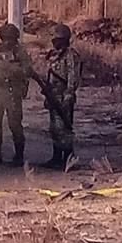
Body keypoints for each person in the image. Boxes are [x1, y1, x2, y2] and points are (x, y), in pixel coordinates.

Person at [0, 23, 33, 166]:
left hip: (12, 91)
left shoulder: (20, 52)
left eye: (11, 38)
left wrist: (13, 68)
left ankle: (19, 156)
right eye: (5, 38)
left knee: (15, 124)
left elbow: (28, 69)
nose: (8, 41)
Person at [43, 24, 82, 169]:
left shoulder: (70, 56)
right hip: (53, 96)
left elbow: (73, 77)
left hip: (64, 97)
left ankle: (68, 159)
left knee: (64, 129)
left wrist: (68, 95)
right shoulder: (54, 55)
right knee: (54, 128)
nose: (54, 42)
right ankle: (56, 157)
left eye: (56, 39)